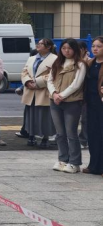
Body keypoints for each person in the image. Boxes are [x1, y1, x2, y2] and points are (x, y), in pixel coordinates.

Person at [48, 39, 86, 173]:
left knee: (71, 133)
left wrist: (61, 95)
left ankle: (74, 162)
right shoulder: (57, 62)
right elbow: (49, 80)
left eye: (69, 48)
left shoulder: (80, 64)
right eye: (64, 48)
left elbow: (76, 84)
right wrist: (54, 94)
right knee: (60, 133)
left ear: (75, 49)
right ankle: (62, 159)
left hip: (72, 102)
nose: (66, 51)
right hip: (55, 101)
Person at [21, 38, 57, 149]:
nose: (38, 45)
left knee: (45, 115)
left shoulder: (54, 59)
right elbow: (24, 72)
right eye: (38, 43)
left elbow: (53, 75)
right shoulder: (32, 58)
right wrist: (27, 81)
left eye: (41, 44)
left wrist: (37, 82)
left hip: (44, 90)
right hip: (30, 90)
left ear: (48, 47)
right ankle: (31, 136)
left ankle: (45, 138)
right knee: (31, 115)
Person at [84, 36, 103, 177]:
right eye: (93, 46)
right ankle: (94, 165)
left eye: (99, 46)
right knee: (92, 134)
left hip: (101, 102)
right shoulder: (90, 63)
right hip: (91, 103)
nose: (95, 49)